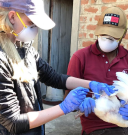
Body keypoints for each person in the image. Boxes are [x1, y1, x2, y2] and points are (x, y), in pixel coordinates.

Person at [0, 0, 116, 135]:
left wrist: (91, 84)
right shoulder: (2, 60)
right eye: (32, 23)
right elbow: (13, 122)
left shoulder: (25, 49)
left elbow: (54, 77)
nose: (35, 30)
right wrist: (64, 107)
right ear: (12, 17)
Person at [64, 6, 128, 135]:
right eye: (103, 34)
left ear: (124, 34)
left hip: (127, 122)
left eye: (112, 35)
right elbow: (68, 96)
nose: (107, 39)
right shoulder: (80, 57)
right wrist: (79, 104)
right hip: (96, 127)